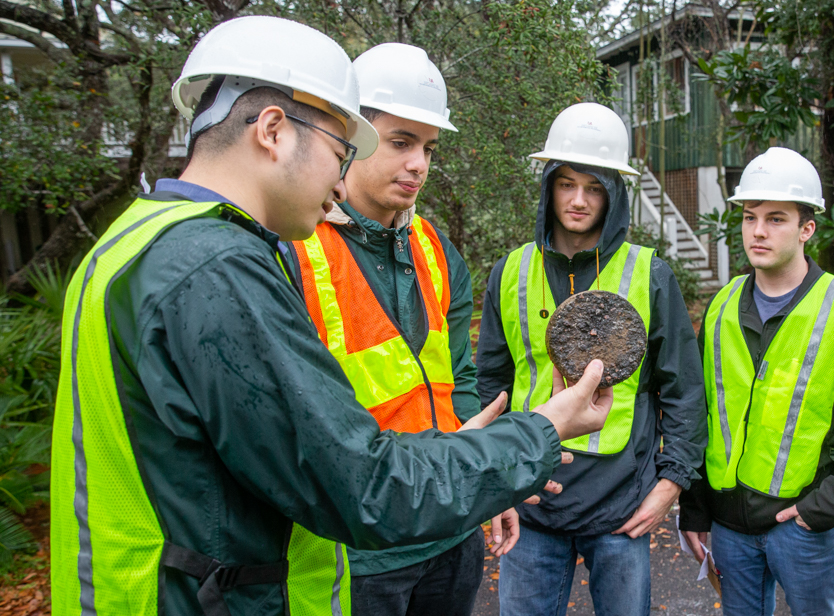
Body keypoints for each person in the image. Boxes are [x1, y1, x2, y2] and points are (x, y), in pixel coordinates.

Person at [50, 17, 611, 616]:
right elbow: (363, 485)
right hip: (245, 579)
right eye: (344, 149)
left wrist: (478, 466)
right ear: (272, 131)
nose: (339, 181)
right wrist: (543, 430)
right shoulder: (218, 266)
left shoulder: (138, 239)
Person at [282, 42, 525, 616]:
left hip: (452, 527)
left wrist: (486, 483)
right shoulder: (297, 248)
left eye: (428, 147)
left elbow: (459, 379)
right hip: (359, 549)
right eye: (400, 142)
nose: (418, 163)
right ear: (352, 138)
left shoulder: (436, 250)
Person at [474, 102, 706, 616]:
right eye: (566, 184)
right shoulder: (509, 271)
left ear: (615, 193)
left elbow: (684, 390)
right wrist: (496, 485)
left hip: (621, 508)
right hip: (530, 503)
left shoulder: (649, 273)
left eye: (594, 187)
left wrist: (671, 483)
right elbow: (490, 385)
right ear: (548, 186)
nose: (579, 200)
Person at [677, 147, 834, 616]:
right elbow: (700, 414)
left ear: (807, 229)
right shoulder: (720, 306)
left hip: (805, 527)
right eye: (750, 217)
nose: (758, 230)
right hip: (730, 525)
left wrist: (824, 510)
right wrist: (695, 509)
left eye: (776, 219)